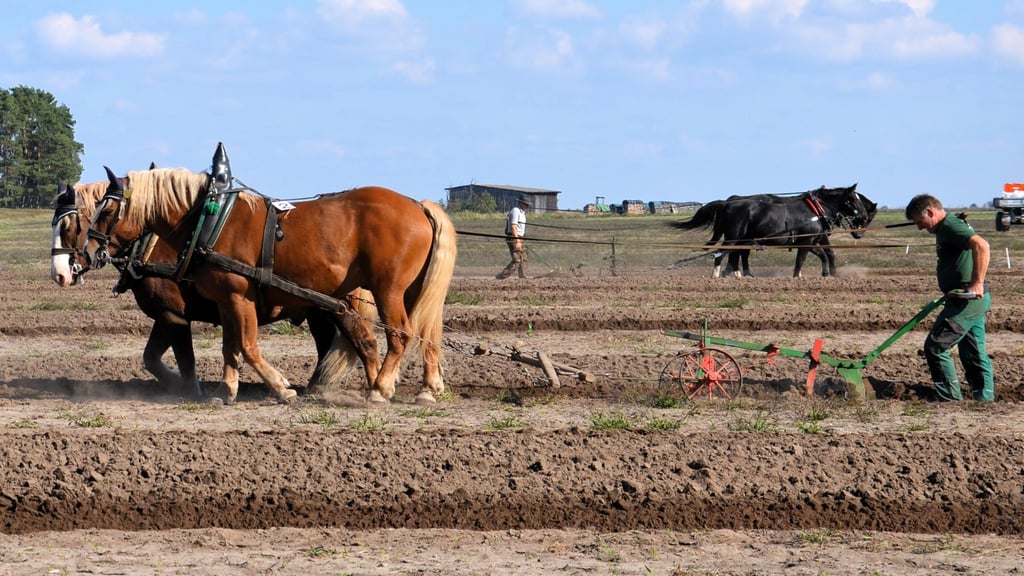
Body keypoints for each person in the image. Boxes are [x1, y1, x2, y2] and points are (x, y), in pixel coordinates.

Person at [905, 194, 994, 402]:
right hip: (967, 299)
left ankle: (950, 402)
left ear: (930, 211)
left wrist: (977, 283)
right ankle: (984, 401)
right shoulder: (947, 227)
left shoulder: (950, 226)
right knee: (973, 353)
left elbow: (981, 246)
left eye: (920, 222)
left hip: (968, 299)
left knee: (936, 347)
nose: (920, 228)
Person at [496, 195, 530, 279]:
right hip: (513, 237)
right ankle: (501, 276)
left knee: (524, 256)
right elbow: (513, 226)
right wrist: (517, 240)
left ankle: (522, 275)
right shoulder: (515, 211)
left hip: (519, 237)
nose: (527, 206)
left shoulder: (522, 213)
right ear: (521, 203)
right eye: (526, 204)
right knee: (517, 259)